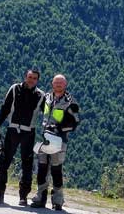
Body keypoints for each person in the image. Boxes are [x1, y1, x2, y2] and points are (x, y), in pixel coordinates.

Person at [0, 69, 45, 206]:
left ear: (37, 80)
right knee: (4, 161)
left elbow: (47, 115)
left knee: (27, 164)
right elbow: (5, 108)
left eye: (34, 78)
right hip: (13, 129)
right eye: (29, 77)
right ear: (25, 77)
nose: (31, 80)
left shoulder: (41, 95)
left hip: (29, 132)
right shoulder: (14, 89)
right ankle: (0, 193)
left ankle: (23, 196)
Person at [31, 74, 80, 211]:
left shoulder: (70, 102)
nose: (58, 85)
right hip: (44, 138)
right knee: (41, 169)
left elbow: (75, 123)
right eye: (56, 82)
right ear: (52, 84)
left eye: (61, 83)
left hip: (59, 140)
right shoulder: (47, 97)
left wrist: (59, 128)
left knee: (56, 170)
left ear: (65, 85)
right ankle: (40, 198)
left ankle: (58, 201)